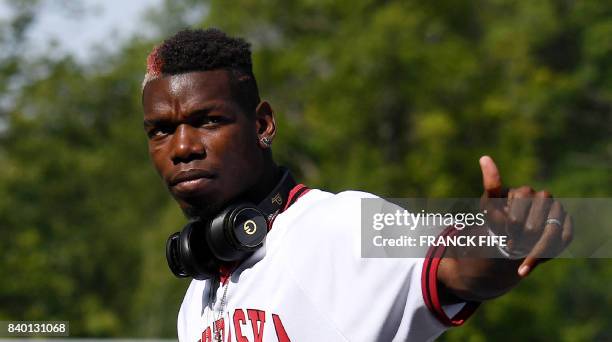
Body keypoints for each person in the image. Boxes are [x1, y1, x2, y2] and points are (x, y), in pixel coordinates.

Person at [141, 28, 573, 342]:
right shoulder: (196, 301)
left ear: (262, 124)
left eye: (208, 121)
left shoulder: (342, 224)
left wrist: (502, 240)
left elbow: (458, 268)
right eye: (160, 131)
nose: (181, 147)